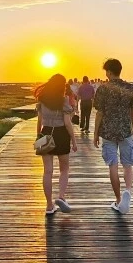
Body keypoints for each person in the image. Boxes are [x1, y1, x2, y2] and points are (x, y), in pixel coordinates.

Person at [93, 58, 133, 215]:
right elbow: (132, 111)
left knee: (113, 165)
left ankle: (118, 201)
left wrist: (95, 133)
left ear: (109, 72)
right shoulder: (131, 88)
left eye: (106, 71)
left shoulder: (103, 89)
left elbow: (99, 113)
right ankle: (128, 192)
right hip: (126, 131)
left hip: (108, 133)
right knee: (128, 165)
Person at [35, 74, 78, 215]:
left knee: (47, 171)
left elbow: (39, 121)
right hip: (61, 135)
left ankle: (49, 206)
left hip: (45, 134)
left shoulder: (41, 100)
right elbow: (67, 123)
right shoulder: (64, 101)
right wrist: (74, 139)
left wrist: (38, 136)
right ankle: (61, 197)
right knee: (64, 169)